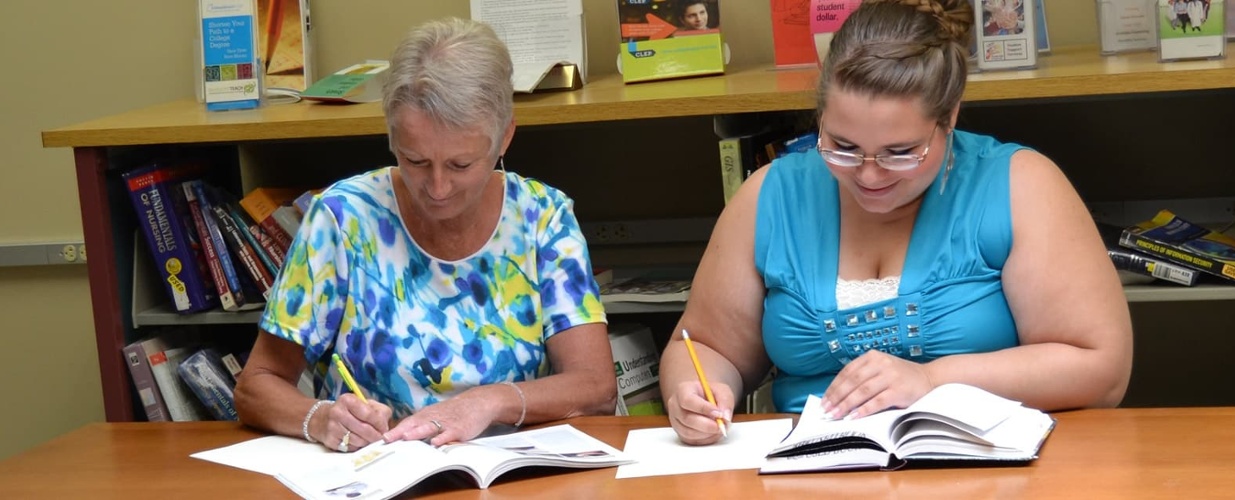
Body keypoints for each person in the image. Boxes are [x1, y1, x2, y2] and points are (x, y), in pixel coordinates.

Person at [659, 0, 1133, 445]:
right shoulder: (772, 195)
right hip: (812, 467)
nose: (868, 175)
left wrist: (930, 380)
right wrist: (696, 392)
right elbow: (703, 346)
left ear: (949, 116)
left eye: (900, 153)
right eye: (842, 147)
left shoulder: (1019, 184)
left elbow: (1100, 370)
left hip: (984, 466)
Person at [234, 17, 617, 453]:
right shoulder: (343, 219)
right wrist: (320, 418)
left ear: (504, 137)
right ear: (391, 136)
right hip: (377, 475)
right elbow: (255, 387)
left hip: (513, 471)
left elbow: (596, 387)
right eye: (415, 161)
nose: (437, 189)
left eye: (460, 165)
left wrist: (489, 402)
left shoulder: (542, 217)